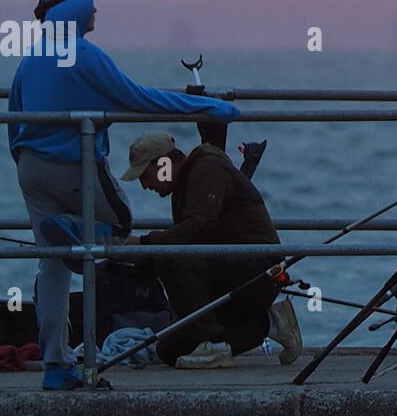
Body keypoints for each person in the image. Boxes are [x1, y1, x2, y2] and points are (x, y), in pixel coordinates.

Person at [9, 0, 241, 390]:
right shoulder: (84, 55)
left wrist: (26, 166)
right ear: (78, 11)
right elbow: (141, 98)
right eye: (92, 4)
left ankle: (57, 366)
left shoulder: (30, 59)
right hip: (72, 166)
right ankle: (81, 231)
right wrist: (210, 106)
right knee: (118, 225)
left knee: (53, 265)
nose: (97, 11)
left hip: (30, 168)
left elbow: (13, 119)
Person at [121, 130, 302, 369]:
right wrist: (130, 253)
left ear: (164, 163)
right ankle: (270, 323)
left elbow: (199, 229)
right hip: (227, 269)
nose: (145, 185)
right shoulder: (185, 185)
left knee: (171, 258)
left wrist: (143, 245)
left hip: (258, 268)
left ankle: (213, 345)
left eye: (145, 175)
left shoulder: (206, 169)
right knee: (170, 350)